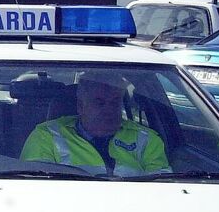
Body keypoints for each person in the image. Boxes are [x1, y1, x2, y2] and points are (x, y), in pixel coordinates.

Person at [20, 71, 170, 175]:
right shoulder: (47, 136)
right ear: (80, 106)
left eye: (115, 102)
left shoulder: (146, 139)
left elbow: (165, 189)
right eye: (99, 103)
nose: (109, 110)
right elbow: (35, 188)